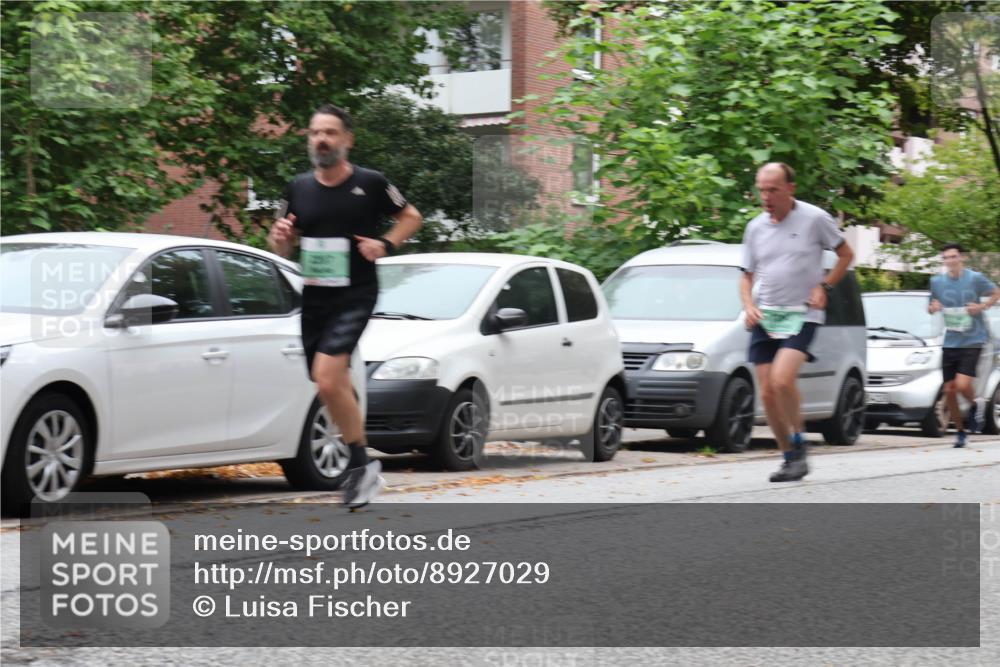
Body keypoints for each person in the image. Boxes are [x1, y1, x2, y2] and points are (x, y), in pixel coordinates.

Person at [268, 103, 423, 507]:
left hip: (356, 294)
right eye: (315, 132)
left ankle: (359, 466)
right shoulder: (298, 188)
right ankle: (365, 466)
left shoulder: (370, 183)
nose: (322, 139)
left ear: (347, 140)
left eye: (330, 132)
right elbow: (282, 244)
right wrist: (280, 237)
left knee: (326, 378)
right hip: (315, 296)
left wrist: (384, 244)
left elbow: (411, 216)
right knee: (327, 382)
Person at [739, 162, 854, 482]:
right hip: (767, 314)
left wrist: (824, 286)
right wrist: (748, 305)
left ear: (790, 188)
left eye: (773, 190)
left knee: (781, 380)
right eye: (761, 190)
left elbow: (847, 255)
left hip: (803, 313)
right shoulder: (755, 228)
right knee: (766, 394)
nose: (766, 197)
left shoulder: (815, 219)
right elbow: (746, 276)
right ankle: (789, 458)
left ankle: (800, 440)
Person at [927, 243, 1000, 447]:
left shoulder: (975, 278)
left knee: (961, 385)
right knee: (949, 390)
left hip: (973, 339)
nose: (949, 261)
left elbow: (996, 292)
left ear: (962, 258)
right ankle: (960, 432)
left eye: (953, 257)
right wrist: (933, 307)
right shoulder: (936, 282)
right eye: (946, 258)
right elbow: (930, 306)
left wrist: (981, 306)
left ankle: (976, 404)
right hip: (950, 340)